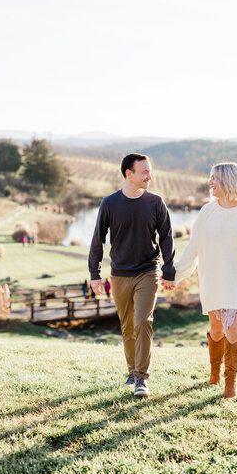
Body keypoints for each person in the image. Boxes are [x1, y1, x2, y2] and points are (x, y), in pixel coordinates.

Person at [168, 162, 237, 401]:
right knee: (217, 330)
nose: (209, 183)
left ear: (228, 181)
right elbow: (193, 246)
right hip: (214, 281)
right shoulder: (207, 211)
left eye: (214, 178)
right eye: (210, 178)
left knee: (234, 329)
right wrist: (176, 276)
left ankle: (231, 383)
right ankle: (214, 372)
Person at [88, 153, 175, 397]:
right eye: (144, 171)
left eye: (150, 171)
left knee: (143, 321)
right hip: (120, 274)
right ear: (129, 173)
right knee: (127, 327)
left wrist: (168, 270)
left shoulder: (156, 203)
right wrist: (95, 273)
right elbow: (98, 239)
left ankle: (141, 378)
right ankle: (131, 371)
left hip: (148, 270)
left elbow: (167, 238)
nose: (150, 176)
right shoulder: (110, 203)